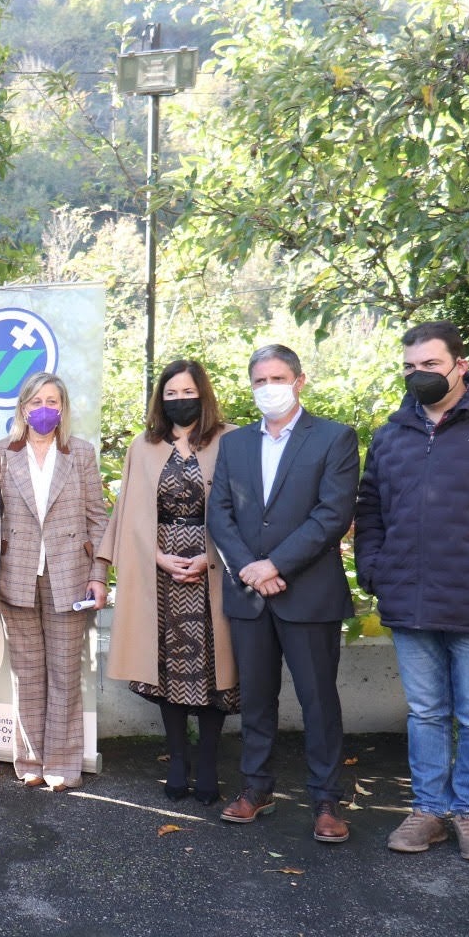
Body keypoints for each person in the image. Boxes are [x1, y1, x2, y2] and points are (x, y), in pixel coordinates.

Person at [355, 321, 469, 861]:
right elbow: (370, 510)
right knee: (425, 713)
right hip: (410, 599)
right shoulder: (391, 434)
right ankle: (428, 809)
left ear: (460, 365)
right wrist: (374, 569)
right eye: (409, 367)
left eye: (429, 365)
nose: (418, 375)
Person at [207, 345, 359, 843]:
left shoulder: (334, 438)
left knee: (318, 700)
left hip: (308, 592)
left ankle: (326, 799)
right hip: (250, 595)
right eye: (259, 380)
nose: (268, 387)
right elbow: (221, 514)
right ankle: (256, 788)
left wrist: (276, 564)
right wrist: (253, 570)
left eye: (278, 377)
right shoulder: (235, 444)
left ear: (299, 380)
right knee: (255, 697)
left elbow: (332, 515)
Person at [97, 359, 239, 805]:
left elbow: (245, 509)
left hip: (213, 564)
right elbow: (129, 512)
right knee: (166, 668)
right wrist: (152, 555)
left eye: (188, 392)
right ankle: (178, 759)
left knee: (217, 671)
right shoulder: (144, 445)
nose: (180, 400)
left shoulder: (232, 440)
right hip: (157, 566)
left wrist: (209, 555)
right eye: (171, 394)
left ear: (204, 395)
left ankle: (209, 763)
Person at [0, 373, 108, 792]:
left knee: (63, 672)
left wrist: (99, 574)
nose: (45, 407)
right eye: (37, 400)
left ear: (63, 408)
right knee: (27, 674)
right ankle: (31, 759)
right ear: (23, 407)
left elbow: (98, 518)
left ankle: (62, 763)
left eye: (53, 400)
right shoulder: (0, 454)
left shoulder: (79, 453)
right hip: (16, 577)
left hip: (70, 577)